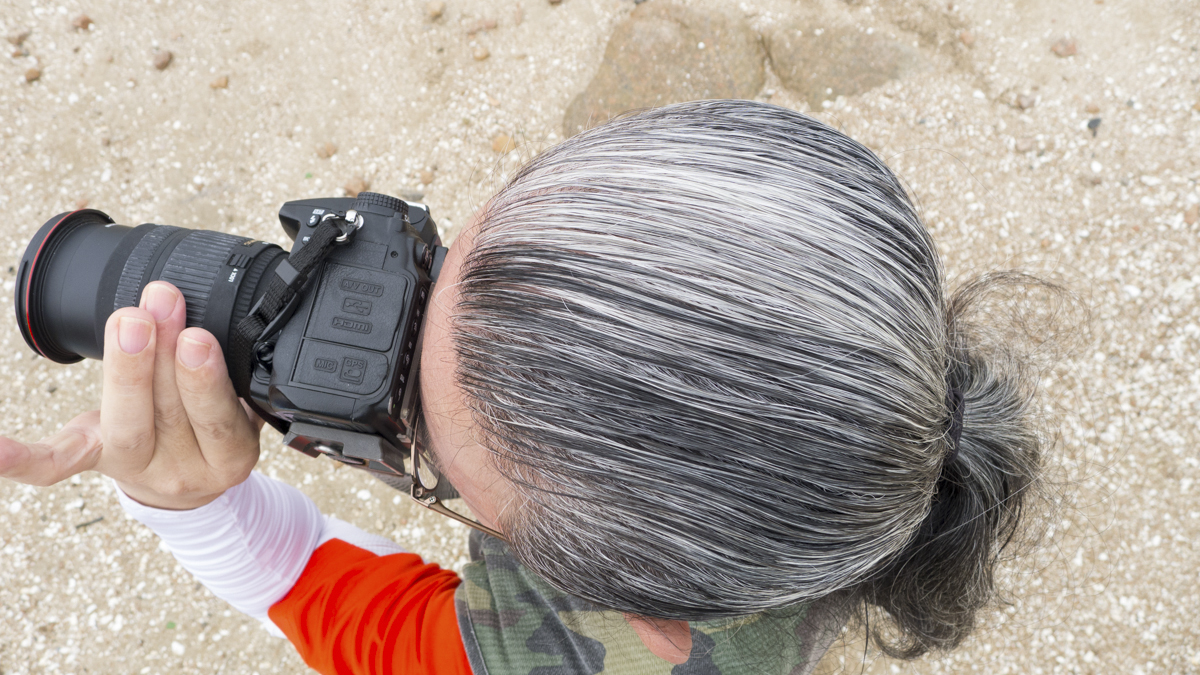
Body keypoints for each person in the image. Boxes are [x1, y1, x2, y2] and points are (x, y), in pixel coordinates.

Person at [0, 100, 1048, 674]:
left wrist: (193, 506)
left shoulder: (597, 662)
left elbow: (365, 626)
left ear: (642, 619)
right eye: (428, 270)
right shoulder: (850, 328)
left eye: (433, 460)